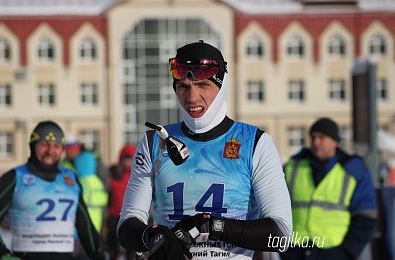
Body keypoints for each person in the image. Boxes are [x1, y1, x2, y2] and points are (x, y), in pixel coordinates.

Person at [116, 40, 292, 260]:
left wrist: (212, 225)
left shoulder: (255, 142)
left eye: (203, 85)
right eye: (183, 86)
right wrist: (153, 235)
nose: (191, 98)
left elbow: (281, 235)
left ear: (221, 86)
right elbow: (126, 226)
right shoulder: (155, 142)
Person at [0, 120, 105, 260]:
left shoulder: (70, 178)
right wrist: (2, 254)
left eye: (56, 146)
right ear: (33, 145)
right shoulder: (15, 178)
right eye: (44, 144)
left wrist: (99, 254)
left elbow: (85, 225)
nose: (50, 151)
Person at [280, 117, 378, 260]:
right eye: (313, 137)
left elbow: (365, 217)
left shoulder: (354, 171)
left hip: (334, 252)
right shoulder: (292, 167)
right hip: (295, 251)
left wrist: (348, 252)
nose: (315, 142)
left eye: (321, 137)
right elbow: (274, 208)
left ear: (335, 142)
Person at [72, 150, 109, 260]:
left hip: (76, 232)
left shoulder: (79, 182)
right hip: (94, 231)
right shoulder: (98, 182)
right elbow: (104, 205)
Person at [106, 144, 137, 260]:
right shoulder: (114, 173)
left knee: (131, 246)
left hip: (131, 215)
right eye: (125, 158)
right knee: (112, 245)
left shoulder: (138, 175)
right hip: (114, 214)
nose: (127, 162)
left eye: (130, 159)